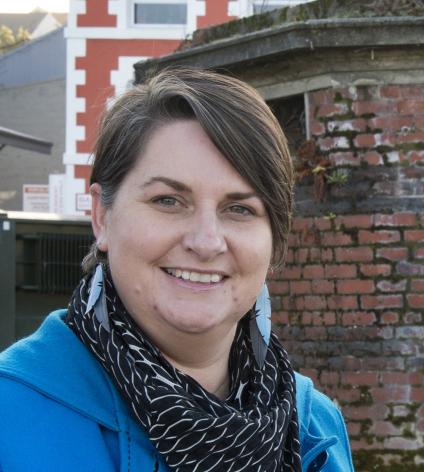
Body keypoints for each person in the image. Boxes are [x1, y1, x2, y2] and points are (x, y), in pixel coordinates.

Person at [0, 68, 353, 471]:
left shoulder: (315, 428)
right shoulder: (11, 412)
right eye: (168, 201)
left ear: (274, 241)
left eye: (239, 209)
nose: (205, 242)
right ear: (101, 216)